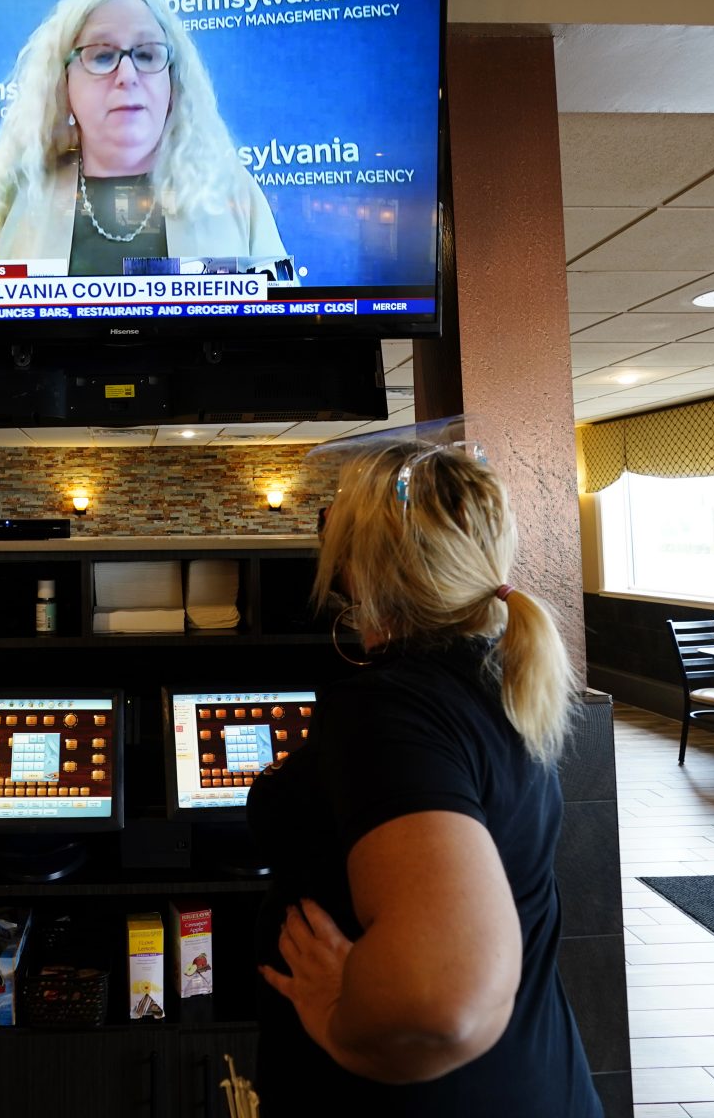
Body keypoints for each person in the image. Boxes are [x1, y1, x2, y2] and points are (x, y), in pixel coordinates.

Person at [249, 441, 602, 1116]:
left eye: (332, 523)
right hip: (528, 1079)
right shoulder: (496, 677)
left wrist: (333, 1017)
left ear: (361, 565)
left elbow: (443, 1003)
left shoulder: (390, 708)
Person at [0, 0, 286, 274]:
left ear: (173, 82)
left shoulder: (229, 189)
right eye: (103, 56)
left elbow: (284, 323)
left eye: (147, 54)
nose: (128, 74)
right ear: (63, 82)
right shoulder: (15, 196)